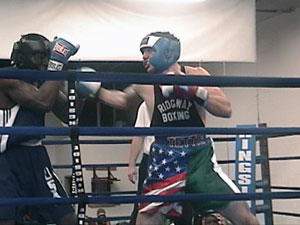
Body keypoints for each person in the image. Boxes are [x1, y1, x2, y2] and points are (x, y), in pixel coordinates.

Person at [77, 31, 259, 225]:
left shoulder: (196, 75)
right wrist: (96, 91)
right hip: (165, 161)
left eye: (149, 51)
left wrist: (193, 91)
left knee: (245, 219)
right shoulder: (145, 84)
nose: (144, 57)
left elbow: (226, 109)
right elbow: (121, 100)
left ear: (167, 51)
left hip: (199, 158)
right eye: (142, 53)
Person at [0, 33, 80, 225]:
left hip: (36, 157)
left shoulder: (43, 82)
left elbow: (70, 114)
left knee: (67, 219)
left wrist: (81, 91)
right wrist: (57, 63)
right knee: (7, 220)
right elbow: (42, 102)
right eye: (40, 57)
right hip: (6, 160)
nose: (45, 62)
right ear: (24, 56)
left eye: (47, 57)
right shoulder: (7, 78)